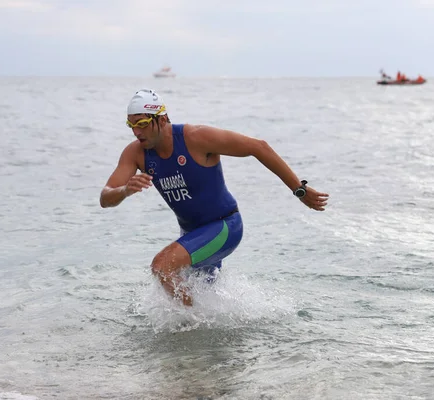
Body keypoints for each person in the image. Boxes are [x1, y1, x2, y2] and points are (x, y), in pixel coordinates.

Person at [99, 89, 329, 306]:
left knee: (162, 266)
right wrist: (125, 190)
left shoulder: (196, 138)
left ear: (161, 119)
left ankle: (190, 327)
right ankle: (201, 340)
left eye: (142, 123)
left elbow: (258, 147)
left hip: (224, 227)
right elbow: (105, 197)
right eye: (131, 124)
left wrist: (299, 189)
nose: (136, 131)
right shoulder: (136, 153)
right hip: (192, 236)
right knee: (201, 296)